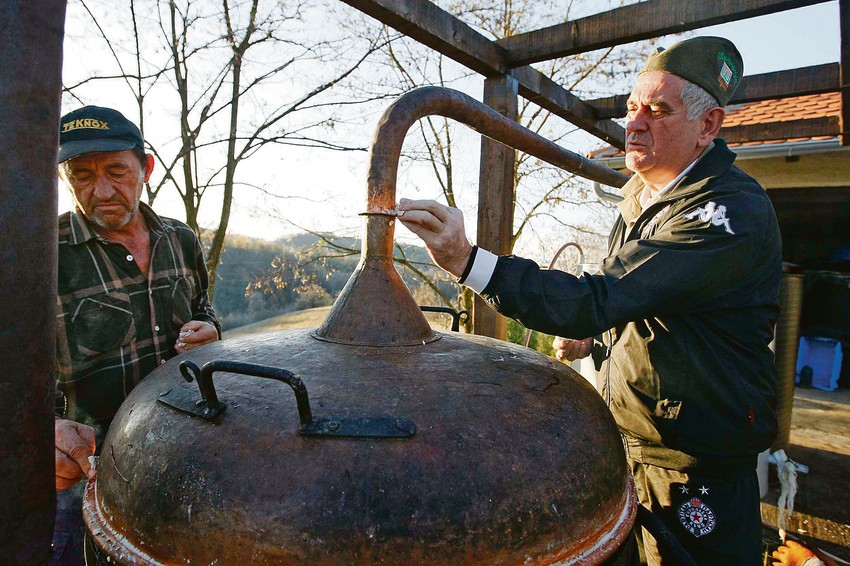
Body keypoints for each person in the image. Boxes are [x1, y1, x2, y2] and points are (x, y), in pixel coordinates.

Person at [398, 36, 781, 565]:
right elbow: (650, 307)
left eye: (657, 110)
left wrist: (468, 261)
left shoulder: (723, 214)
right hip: (635, 441)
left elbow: (598, 296)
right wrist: (598, 337)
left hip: (695, 464)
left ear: (708, 126)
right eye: (630, 107)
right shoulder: (643, 197)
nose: (634, 123)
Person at [52, 106, 221, 564]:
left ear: (145, 168)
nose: (101, 190)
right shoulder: (41, 251)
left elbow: (204, 308)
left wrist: (211, 332)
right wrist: (36, 429)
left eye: (116, 171)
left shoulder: (181, 239)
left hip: (177, 452)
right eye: (82, 175)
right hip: (83, 473)